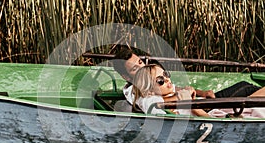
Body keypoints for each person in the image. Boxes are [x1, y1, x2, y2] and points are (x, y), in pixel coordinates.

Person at [133, 64, 265, 118]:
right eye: (160, 80)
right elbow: (207, 118)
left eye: (166, 75)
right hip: (212, 112)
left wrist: (187, 94)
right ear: (149, 88)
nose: (167, 80)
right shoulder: (150, 100)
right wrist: (188, 102)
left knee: (246, 88)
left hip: (208, 107)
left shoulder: (166, 92)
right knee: (246, 90)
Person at [113, 48, 216, 107]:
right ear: (126, 77)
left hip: (196, 102)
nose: (142, 67)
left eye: (141, 62)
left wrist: (202, 93)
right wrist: (182, 97)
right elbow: (152, 104)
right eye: (135, 68)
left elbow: (175, 88)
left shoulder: (153, 78)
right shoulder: (133, 91)